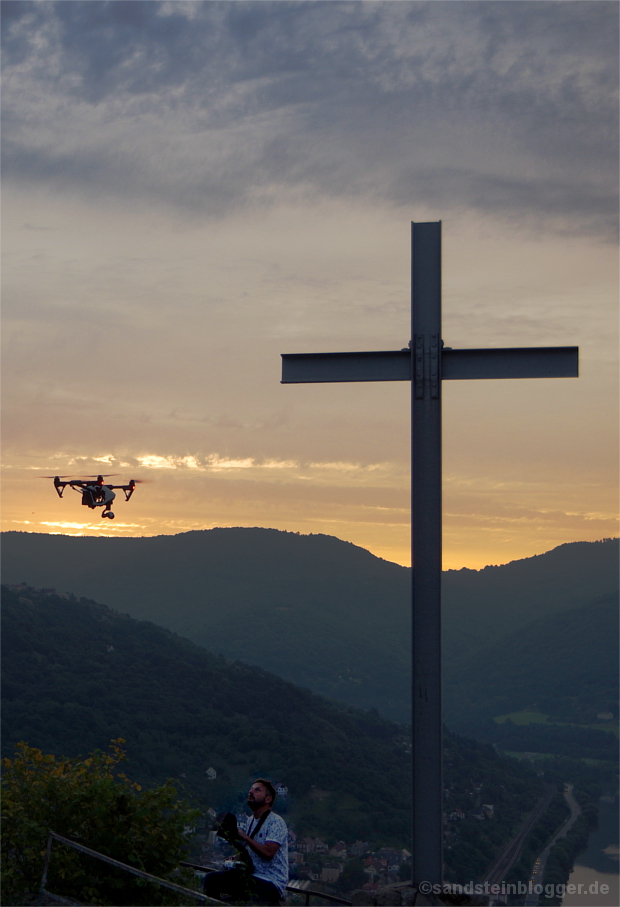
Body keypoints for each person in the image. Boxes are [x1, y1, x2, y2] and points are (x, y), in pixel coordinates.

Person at [204, 779, 288, 905]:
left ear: (268, 799)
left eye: (257, 790)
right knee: (211, 879)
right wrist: (236, 858)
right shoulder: (250, 821)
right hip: (252, 878)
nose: (251, 792)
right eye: (251, 789)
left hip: (270, 882)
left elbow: (269, 852)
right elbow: (251, 851)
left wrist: (246, 838)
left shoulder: (276, 822)